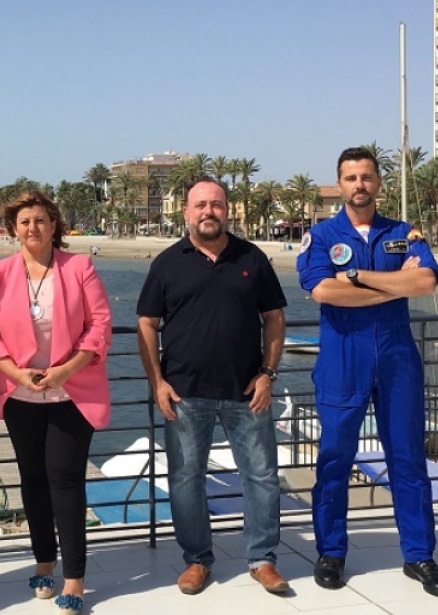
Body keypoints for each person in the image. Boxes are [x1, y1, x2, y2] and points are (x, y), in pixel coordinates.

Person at [296, 146, 438, 598]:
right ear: (340, 184)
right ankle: (331, 552)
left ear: (379, 183)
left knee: (407, 457)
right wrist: (393, 287)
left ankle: (419, 555)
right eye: (351, 178)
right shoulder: (321, 235)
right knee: (334, 457)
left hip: (397, 357)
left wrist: (356, 278)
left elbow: (426, 280)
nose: (359, 185)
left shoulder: (403, 233)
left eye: (367, 176)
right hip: (343, 358)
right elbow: (323, 291)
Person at [136, 177, 290, 596]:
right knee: (186, 478)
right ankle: (197, 559)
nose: (209, 211)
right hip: (184, 394)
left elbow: (274, 318)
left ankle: (262, 559)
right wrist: (157, 382)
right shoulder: (167, 263)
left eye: (216, 204)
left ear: (227, 210)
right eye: (201, 205)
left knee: (262, 476)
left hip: (247, 391)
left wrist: (268, 373)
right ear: (186, 212)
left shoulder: (252, 258)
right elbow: (147, 324)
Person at [0, 191, 112, 614]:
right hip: (20, 394)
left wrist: (66, 370)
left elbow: (100, 325)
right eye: (24, 222)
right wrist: (17, 374)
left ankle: (75, 578)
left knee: (66, 481)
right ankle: (43, 561)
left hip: (72, 391)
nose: (32, 228)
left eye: (40, 220)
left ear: (54, 225)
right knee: (33, 479)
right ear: (13, 230)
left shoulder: (80, 267)